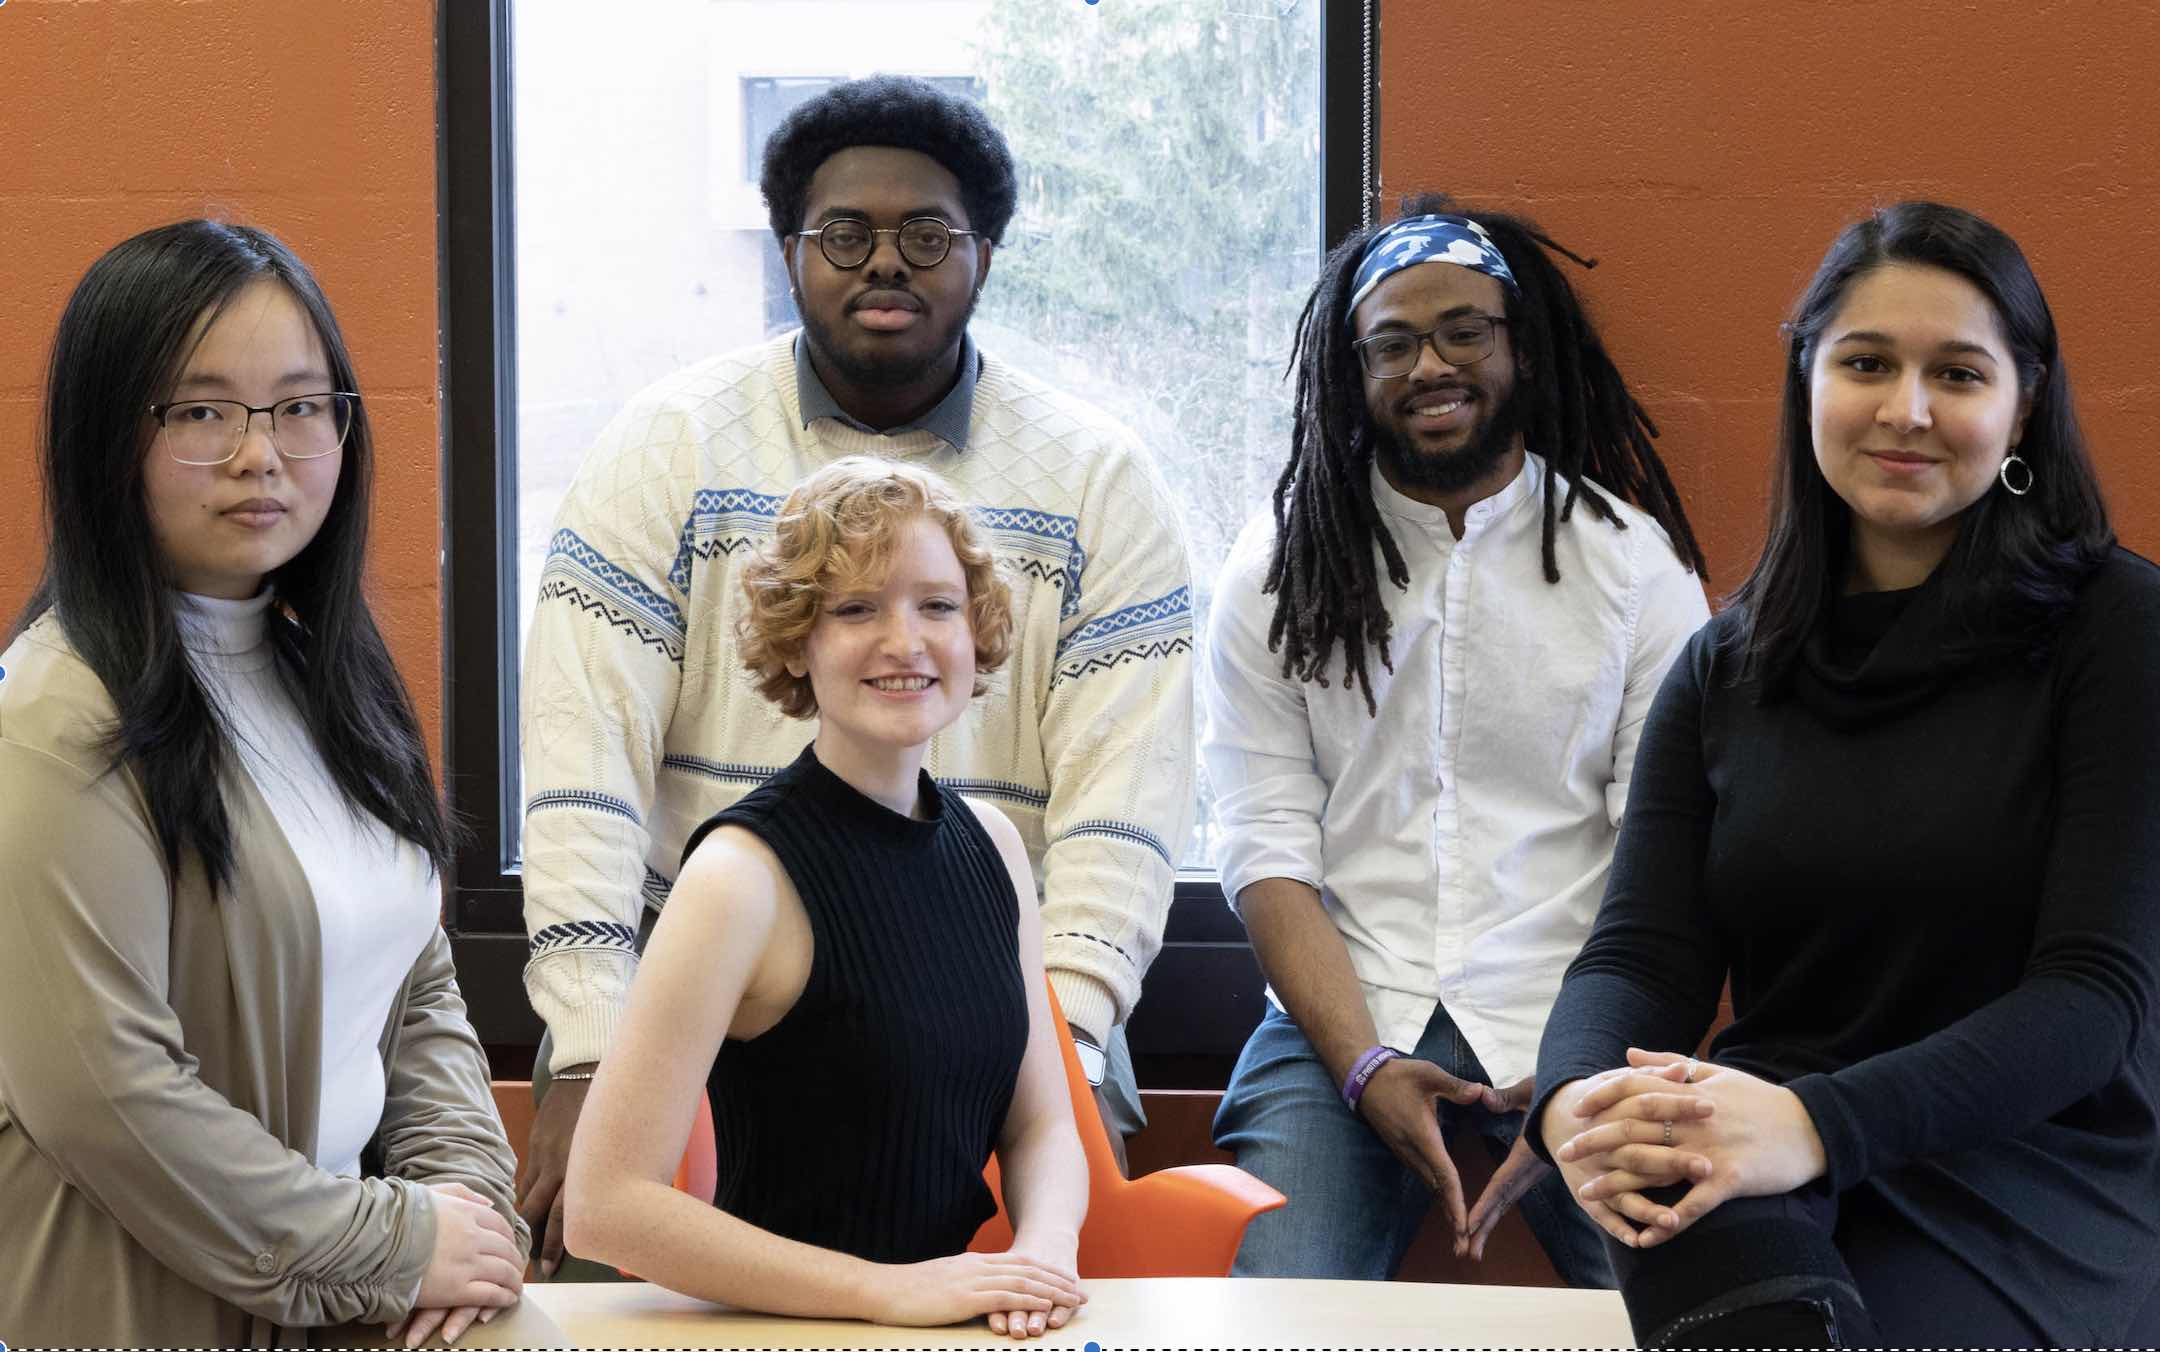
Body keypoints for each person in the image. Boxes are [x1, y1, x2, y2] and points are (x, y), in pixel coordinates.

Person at [517, 74, 1193, 1271]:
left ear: (984, 255)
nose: (887, 262)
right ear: (790, 253)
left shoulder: (1100, 480)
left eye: (928, 235)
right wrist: (587, 1041)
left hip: (1012, 997)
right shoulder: (667, 443)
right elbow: (583, 751)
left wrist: (1056, 1057)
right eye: (845, 234)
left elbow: (1124, 811)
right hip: (718, 997)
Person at [1532, 201, 2160, 1347]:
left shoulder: (2120, 628)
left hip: (2030, 1166)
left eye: (1958, 373)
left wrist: (1816, 1120)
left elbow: (2093, 1002)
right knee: (1675, 1185)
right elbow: (1639, 954)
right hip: (1763, 1151)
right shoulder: (1724, 662)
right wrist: (1573, 1104)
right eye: (1866, 362)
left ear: (2022, 407)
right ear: (1807, 380)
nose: (1905, 409)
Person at [0, 221, 528, 1347]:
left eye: (299, 405)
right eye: (200, 412)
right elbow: (106, 1096)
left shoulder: (323, 677)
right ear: (108, 441)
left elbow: (417, 987)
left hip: (342, 1297)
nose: (262, 452)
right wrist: (390, 1243)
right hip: (155, 1306)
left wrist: (462, 1213)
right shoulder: (53, 718)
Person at [1201, 196, 1710, 1284]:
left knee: (1686, 1298)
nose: (1430, 363)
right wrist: (1362, 1062)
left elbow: (1666, 858)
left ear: (1519, 346)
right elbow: (1264, 843)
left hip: (1581, 1020)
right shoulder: (1274, 571)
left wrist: (1580, 1064)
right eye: (1393, 341)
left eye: (1464, 330)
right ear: (1353, 369)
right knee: (1276, 1312)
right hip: (1345, 1011)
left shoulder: (1632, 568)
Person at [564, 457, 1089, 1336]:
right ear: (796, 642)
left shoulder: (995, 847)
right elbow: (606, 1206)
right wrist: (889, 1293)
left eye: (937, 605)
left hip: (948, 1328)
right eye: (855, 608)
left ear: (977, 630)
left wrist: (1043, 1255)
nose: (906, 641)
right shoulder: (738, 875)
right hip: (786, 1330)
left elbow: (1040, 1126)